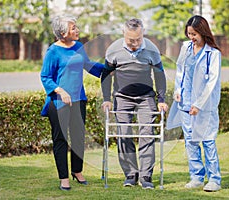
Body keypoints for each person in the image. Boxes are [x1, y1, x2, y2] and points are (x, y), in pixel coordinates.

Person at [101, 18, 168, 189]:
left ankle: (146, 176)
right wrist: (107, 99)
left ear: (142, 33)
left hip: (146, 97)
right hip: (122, 97)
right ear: (124, 34)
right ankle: (131, 174)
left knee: (147, 133)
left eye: (138, 39)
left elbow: (160, 76)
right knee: (124, 133)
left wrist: (161, 100)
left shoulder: (151, 49)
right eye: (131, 40)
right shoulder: (113, 50)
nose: (135, 43)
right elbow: (106, 76)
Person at [40, 15, 104, 191]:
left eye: (76, 27)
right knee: (61, 139)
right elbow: (45, 77)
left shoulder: (78, 47)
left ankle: (77, 171)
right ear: (62, 32)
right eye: (73, 28)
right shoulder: (53, 51)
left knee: (78, 138)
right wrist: (60, 91)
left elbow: (88, 65)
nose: (77, 30)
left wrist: (109, 69)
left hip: (78, 99)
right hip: (58, 102)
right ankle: (64, 178)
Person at [166, 15, 222, 192]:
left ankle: (214, 179)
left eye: (194, 34)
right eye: (189, 33)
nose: (191, 38)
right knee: (190, 141)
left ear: (203, 33)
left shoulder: (213, 54)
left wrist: (198, 104)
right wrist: (177, 90)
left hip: (204, 106)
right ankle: (197, 177)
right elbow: (180, 70)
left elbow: (212, 82)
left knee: (207, 141)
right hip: (185, 103)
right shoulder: (186, 48)